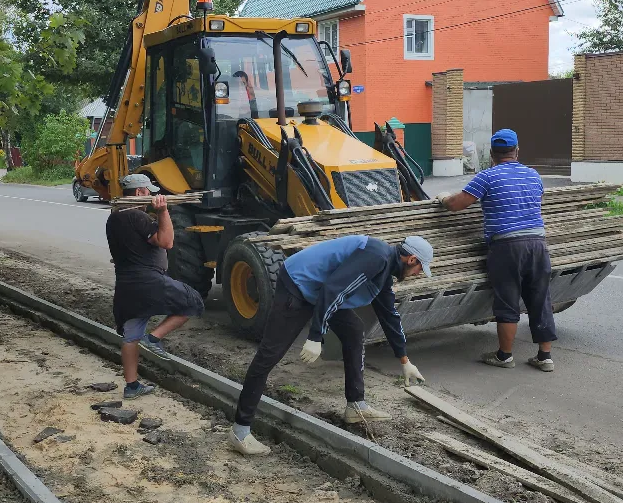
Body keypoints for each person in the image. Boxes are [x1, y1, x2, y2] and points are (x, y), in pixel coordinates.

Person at [229, 235, 433, 456]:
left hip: (322, 291)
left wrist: (405, 360)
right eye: (420, 269)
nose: (418, 274)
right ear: (411, 259)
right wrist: (316, 336)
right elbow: (333, 290)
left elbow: (389, 315)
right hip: (299, 283)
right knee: (269, 354)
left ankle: (356, 404)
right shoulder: (376, 258)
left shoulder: (384, 271)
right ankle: (240, 431)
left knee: (353, 330)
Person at [435, 129, 556, 373]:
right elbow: (536, 200)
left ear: (491, 154)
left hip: (507, 247)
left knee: (508, 300)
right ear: (517, 150)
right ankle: (545, 357)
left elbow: (458, 205)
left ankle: (504, 356)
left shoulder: (486, 177)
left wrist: (444, 199)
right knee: (540, 298)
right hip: (537, 244)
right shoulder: (533, 175)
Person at [106, 174, 205, 399]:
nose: (151, 195)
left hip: (126, 286)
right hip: (147, 281)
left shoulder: (114, 218)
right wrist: (162, 212)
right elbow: (167, 241)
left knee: (131, 335)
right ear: (140, 192)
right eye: (148, 191)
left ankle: (132, 386)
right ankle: (154, 338)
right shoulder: (136, 217)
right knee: (192, 302)